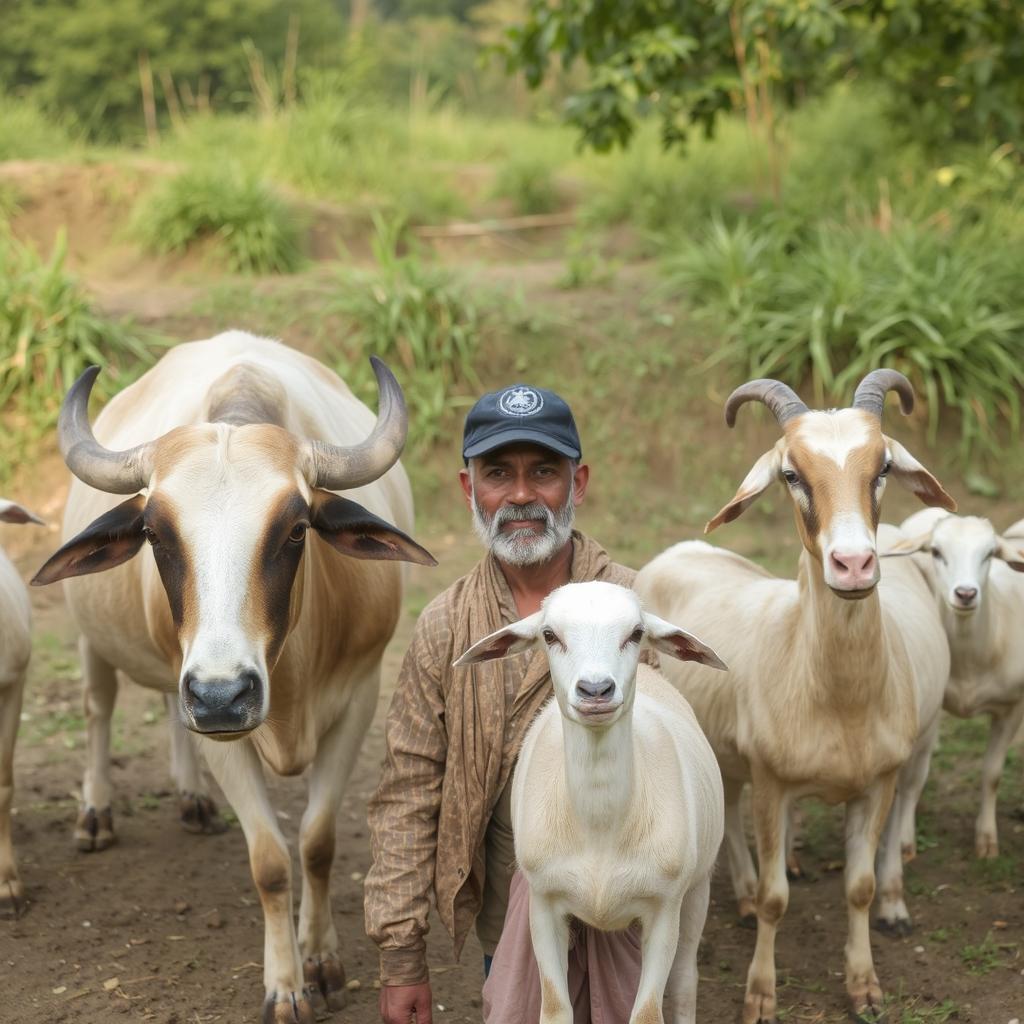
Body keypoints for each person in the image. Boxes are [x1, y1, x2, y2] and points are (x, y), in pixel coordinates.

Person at [365, 384, 650, 1024]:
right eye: (498, 474)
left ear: (577, 484)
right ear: (470, 490)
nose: (521, 496)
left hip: (630, 907)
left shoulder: (633, 608)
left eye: (543, 472)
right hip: (508, 918)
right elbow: (409, 790)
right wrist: (401, 958)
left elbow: (678, 773)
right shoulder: (447, 628)